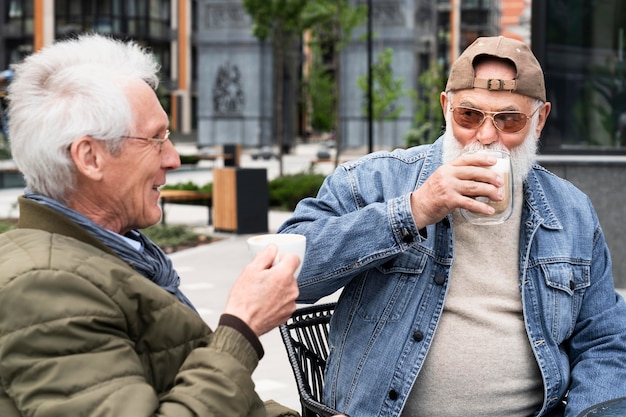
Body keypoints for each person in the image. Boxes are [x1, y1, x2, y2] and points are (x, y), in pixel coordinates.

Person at [278, 36, 626, 417]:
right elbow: (286, 273)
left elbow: (604, 339)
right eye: (469, 116)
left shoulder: (571, 211)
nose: (486, 137)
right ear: (446, 109)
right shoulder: (374, 181)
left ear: (539, 120)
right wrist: (414, 210)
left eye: (509, 120)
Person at [0, 34, 305, 417]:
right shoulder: (42, 286)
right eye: (155, 138)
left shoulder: (113, 256)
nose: (174, 158)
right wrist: (242, 326)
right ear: (90, 157)